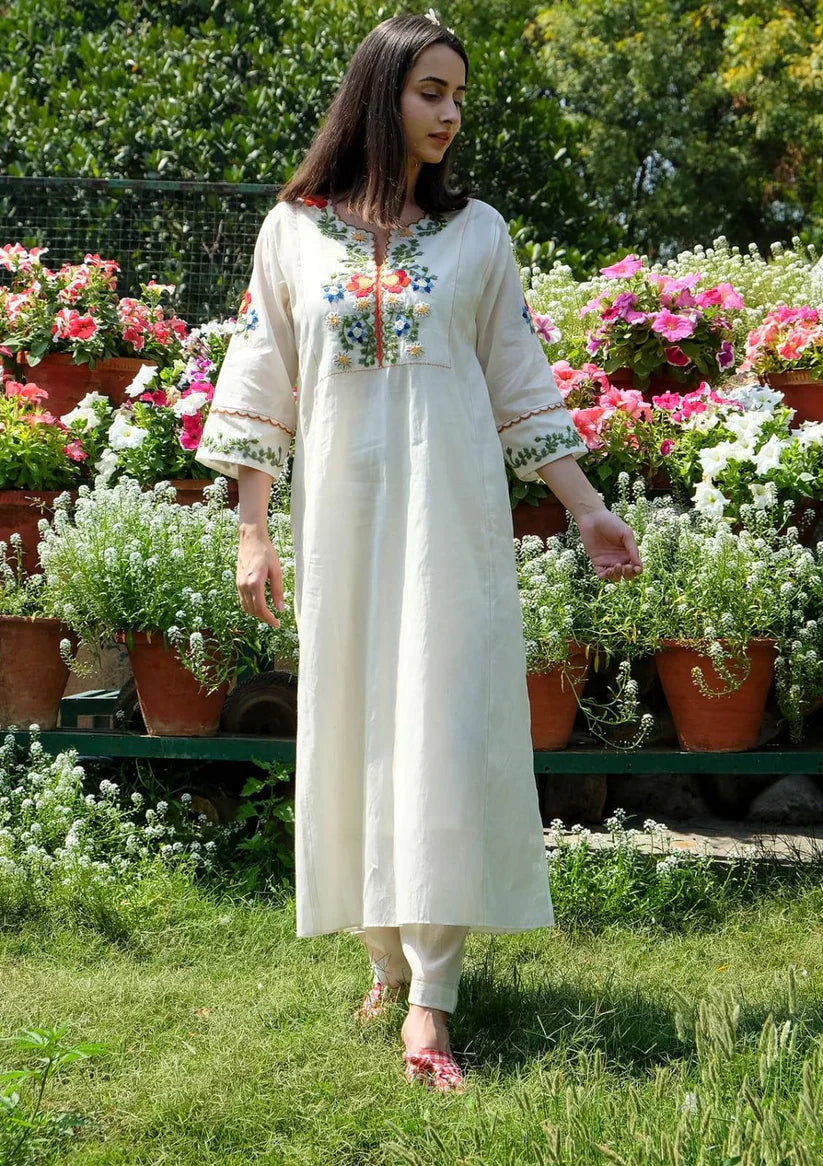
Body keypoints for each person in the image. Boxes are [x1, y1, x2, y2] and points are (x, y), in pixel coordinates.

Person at [194, 11, 642, 1094]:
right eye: (430, 91)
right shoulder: (293, 232)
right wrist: (252, 528)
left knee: (440, 725)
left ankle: (431, 991)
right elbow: (260, 382)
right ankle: (382, 957)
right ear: (379, 93)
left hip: (451, 526)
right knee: (351, 723)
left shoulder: (477, 233)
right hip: (340, 525)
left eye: (458, 97)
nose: (449, 115)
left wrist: (586, 507)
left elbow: (518, 378)